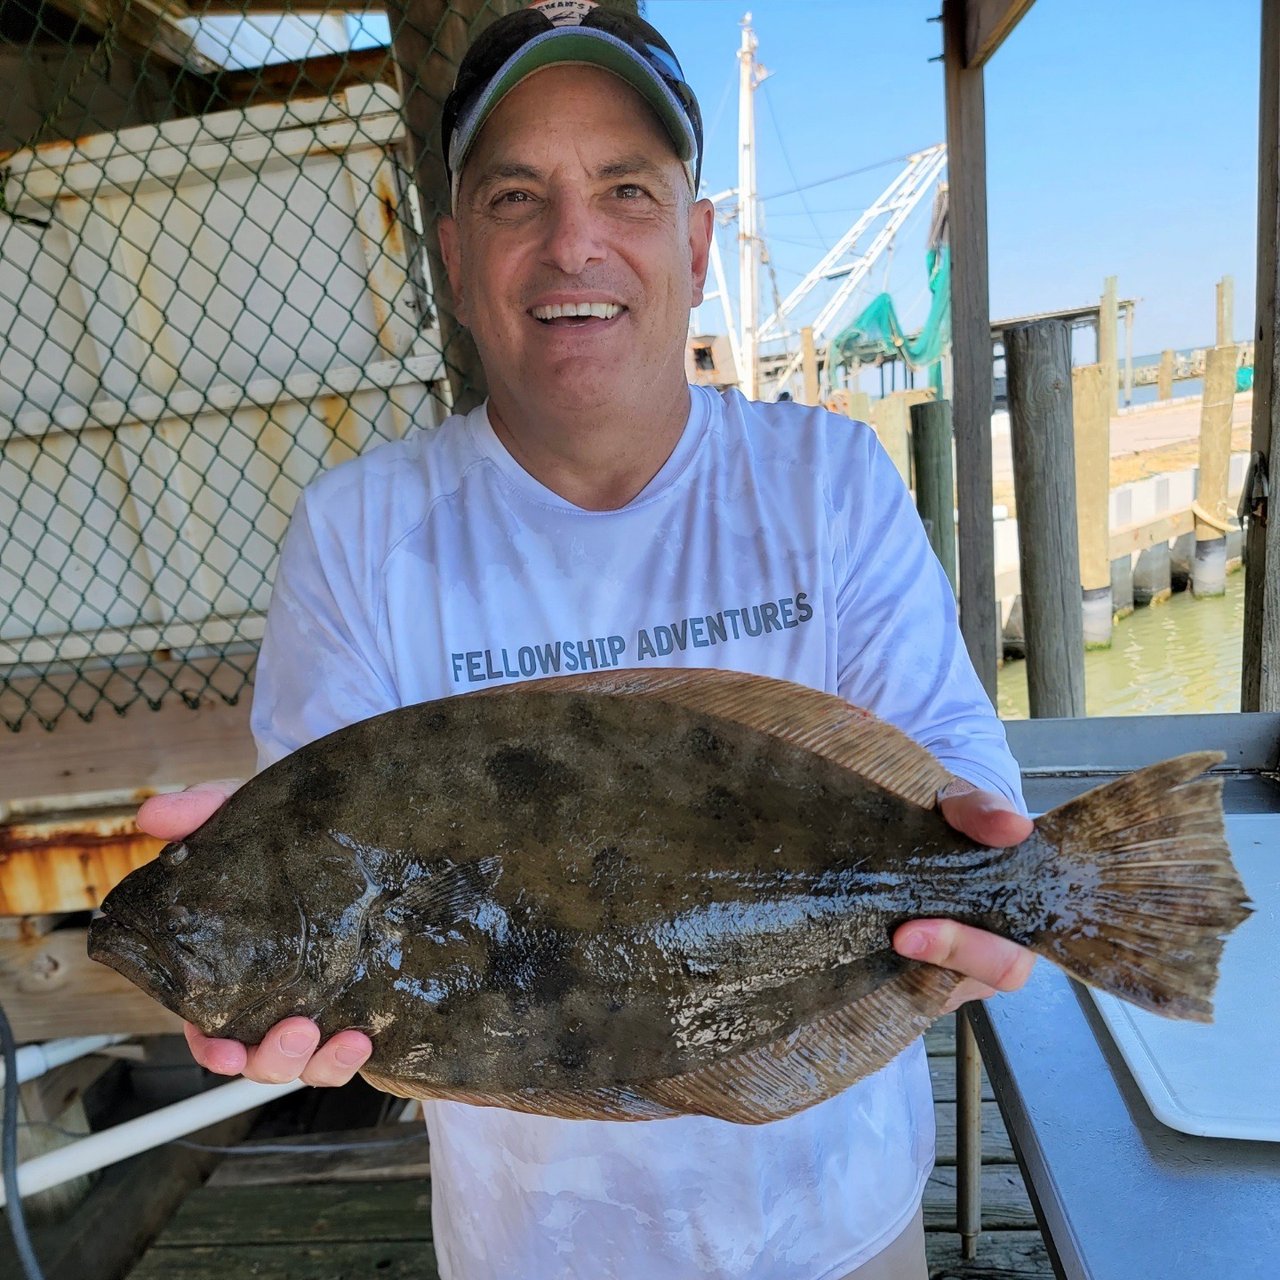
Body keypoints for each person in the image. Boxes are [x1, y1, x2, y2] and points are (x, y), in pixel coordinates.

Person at [138, 3, 1035, 1276]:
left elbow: (950, 755)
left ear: (694, 233)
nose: (574, 244)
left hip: (834, 1221)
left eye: (624, 187)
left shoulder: (825, 481)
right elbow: (339, 886)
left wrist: (988, 866)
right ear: (453, 252)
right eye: (515, 197)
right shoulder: (356, 532)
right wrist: (258, 928)